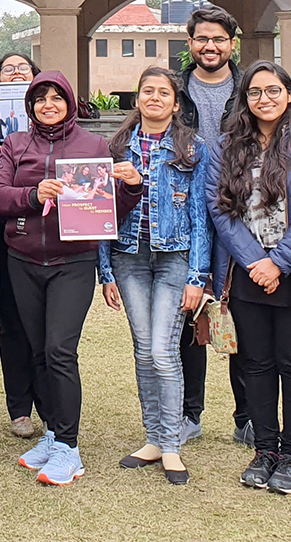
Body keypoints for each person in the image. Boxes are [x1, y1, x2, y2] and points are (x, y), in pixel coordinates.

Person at [0, 72, 140, 487]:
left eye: (57, 97)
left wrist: (131, 188)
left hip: (73, 261)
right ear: (30, 106)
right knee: (37, 350)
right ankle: (53, 435)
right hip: (23, 259)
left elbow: (110, 207)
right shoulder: (16, 145)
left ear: (70, 102)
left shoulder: (93, 146)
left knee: (59, 350)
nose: (48, 104)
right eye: (40, 98)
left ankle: (70, 449)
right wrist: (34, 195)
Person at [206, 60, 291, 497]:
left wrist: (278, 262)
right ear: (245, 100)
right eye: (255, 93)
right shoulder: (228, 146)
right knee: (256, 364)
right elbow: (220, 210)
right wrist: (254, 262)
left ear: (290, 93)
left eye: (273, 90)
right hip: (246, 275)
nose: (264, 99)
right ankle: (264, 450)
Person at [97, 67, 209, 485]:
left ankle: (173, 445)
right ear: (137, 99)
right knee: (143, 350)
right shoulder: (115, 147)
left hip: (174, 258)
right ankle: (153, 439)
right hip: (128, 257)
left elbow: (201, 217)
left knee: (164, 351)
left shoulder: (192, 149)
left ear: (176, 104)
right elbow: (100, 213)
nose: (156, 98)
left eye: (164, 92)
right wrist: (104, 269)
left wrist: (198, 276)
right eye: (148, 91)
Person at [177, 5, 251, 446]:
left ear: (231, 44)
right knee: (190, 316)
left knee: (242, 317)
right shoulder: (174, 88)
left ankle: (247, 416)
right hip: (184, 213)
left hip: (238, 213)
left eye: (219, 39)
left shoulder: (249, 89)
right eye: (202, 39)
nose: (210, 46)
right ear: (190, 44)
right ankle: (190, 413)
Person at [0, 52, 44, 439]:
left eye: (23, 68)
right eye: (8, 70)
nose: (16, 74)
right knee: (12, 323)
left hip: (47, 238)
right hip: (2, 236)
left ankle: (50, 400)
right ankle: (19, 407)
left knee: (48, 326)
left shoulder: (58, 122)